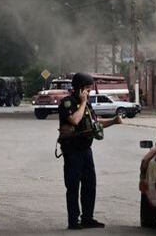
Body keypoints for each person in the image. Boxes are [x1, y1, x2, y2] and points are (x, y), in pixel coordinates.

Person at [58, 72, 123, 230]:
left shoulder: (86, 104)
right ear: (79, 88)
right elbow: (75, 120)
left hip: (86, 149)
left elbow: (95, 122)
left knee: (89, 184)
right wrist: (82, 102)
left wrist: (113, 121)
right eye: (87, 88)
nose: (90, 91)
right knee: (73, 186)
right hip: (72, 150)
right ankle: (73, 221)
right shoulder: (68, 103)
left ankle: (87, 218)